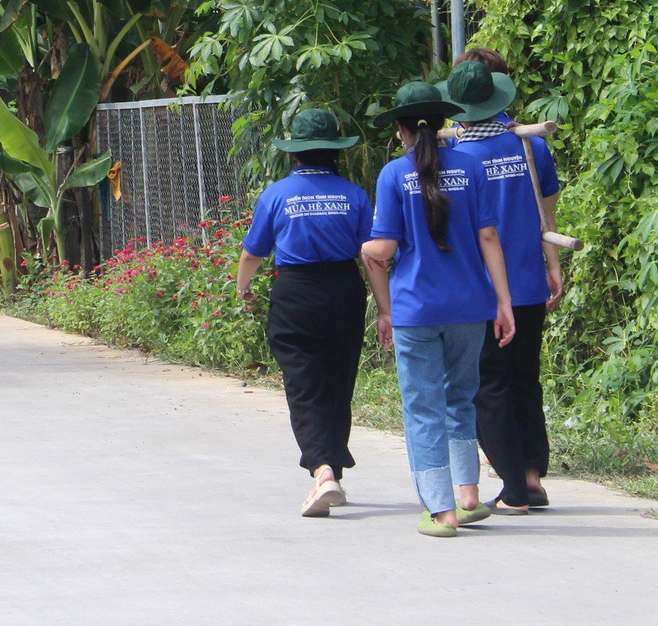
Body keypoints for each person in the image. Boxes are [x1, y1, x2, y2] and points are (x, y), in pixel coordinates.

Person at [361, 80, 516, 538]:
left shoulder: (393, 175)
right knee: (460, 397)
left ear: (401, 130)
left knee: (423, 406)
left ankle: (440, 511)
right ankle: (469, 495)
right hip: (470, 304)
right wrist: (503, 301)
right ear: (445, 121)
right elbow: (489, 237)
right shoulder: (470, 166)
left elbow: (384, 247)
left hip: (416, 309)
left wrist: (366, 245)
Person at [233, 106, 387, 518]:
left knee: (304, 384)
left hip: (295, 293)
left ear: (295, 153)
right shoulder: (354, 194)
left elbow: (252, 252)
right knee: (338, 382)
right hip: (344, 292)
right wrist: (384, 310)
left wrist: (242, 286)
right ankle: (332, 468)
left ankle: (322, 471)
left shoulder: (277, 194)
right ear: (334, 151)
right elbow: (372, 257)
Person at [446, 52, 563, 514]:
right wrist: (552, 263)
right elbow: (545, 209)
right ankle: (532, 475)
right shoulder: (529, 146)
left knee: (487, 384)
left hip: (483, 292)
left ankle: (514, 486)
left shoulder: (455, 154)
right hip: (530, 280)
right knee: (523, 379)